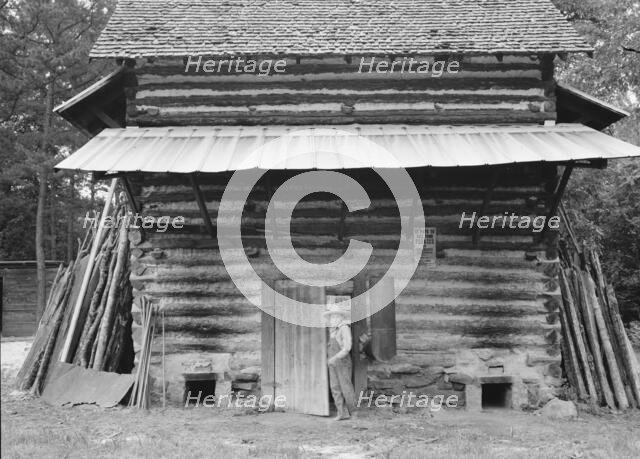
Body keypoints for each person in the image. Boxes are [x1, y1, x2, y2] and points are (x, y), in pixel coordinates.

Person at [324, 304, 357, 420]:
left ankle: (353, 412)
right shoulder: (331, 330)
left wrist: (335, 358)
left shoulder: (344, 329)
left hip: (342, 361)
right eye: (332, 317)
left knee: (346, 386)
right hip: (332, 362)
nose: (334, 319)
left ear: (342, 317)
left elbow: (347, 348)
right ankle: (341, 412)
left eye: (337, 316)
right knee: (335, 387)